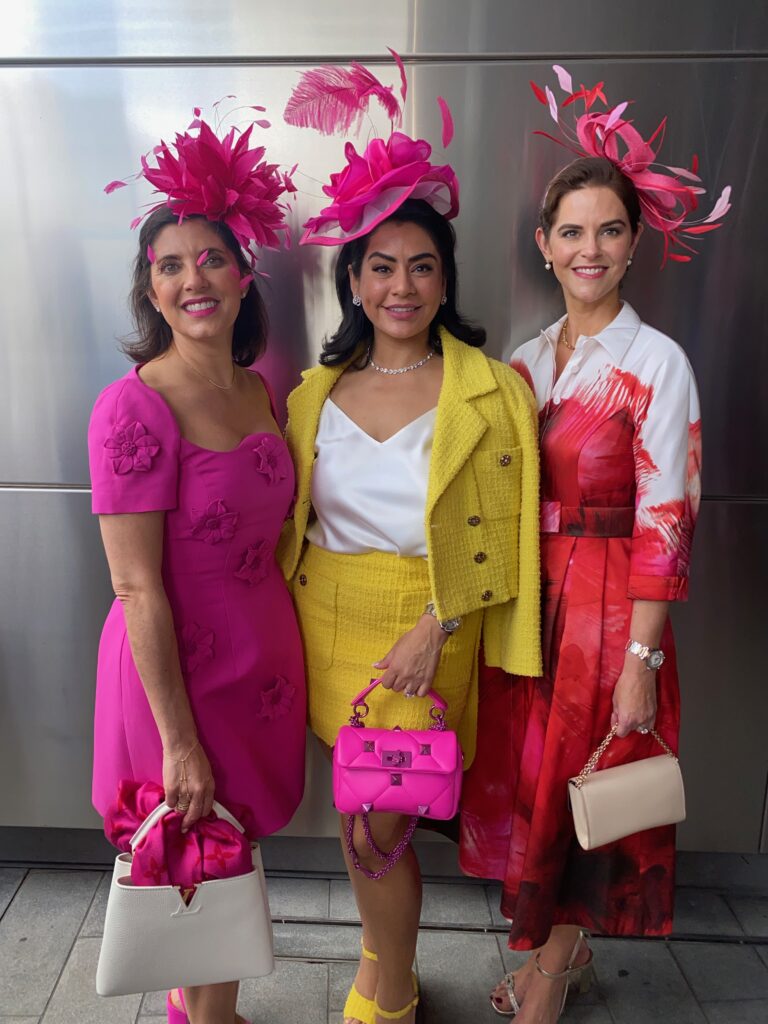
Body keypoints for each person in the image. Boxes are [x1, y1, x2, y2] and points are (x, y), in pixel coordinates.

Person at [459, 66, 731, 1023]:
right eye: (570, 230)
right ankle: (556, 961)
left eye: (608, 229)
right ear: (543, 245)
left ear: (633, 244)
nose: (589, 248)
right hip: (535, 604)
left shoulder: (658, 363)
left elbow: (671, 516)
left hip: (613, 609)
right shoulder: (529, 362)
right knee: (540, 787)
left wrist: (643, 659)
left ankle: (547, 972)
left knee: (590, 777)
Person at [280, 54, 542, 1024]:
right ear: (354, 277)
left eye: (421, 265)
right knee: (360, 814)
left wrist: (439, 621)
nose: (401, 284)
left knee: (381, 825)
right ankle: (384, 952)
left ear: (444, 279)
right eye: (381, 265)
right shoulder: (314, 393)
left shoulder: (490, 389)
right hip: (329, 626)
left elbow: (509, 539)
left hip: (432, 630)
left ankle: (386, 993)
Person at [90, 108, 305, 1024]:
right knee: (196, 855)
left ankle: (206, 1005)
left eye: (210, 258)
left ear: (244, 269)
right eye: (169, 265)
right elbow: (135, 584)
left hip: (261, 665)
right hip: (178, 675)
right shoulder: (130, 411)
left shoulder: (259, 387)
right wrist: (178, 740)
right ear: (152, 287)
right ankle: (201, 1016)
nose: (193, 280)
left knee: (232, 850)